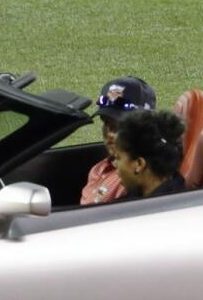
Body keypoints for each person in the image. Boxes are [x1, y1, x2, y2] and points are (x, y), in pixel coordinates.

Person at [81, 76, 156, 205]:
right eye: (106, 123)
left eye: (119, 125)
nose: (110, 133)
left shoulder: (138, 177)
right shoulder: (99, 168)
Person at [112, 109, 189, 199]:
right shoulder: (170, 189)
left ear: (139, 164)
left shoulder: (163, 209)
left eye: (118, 158)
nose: (114, 164)